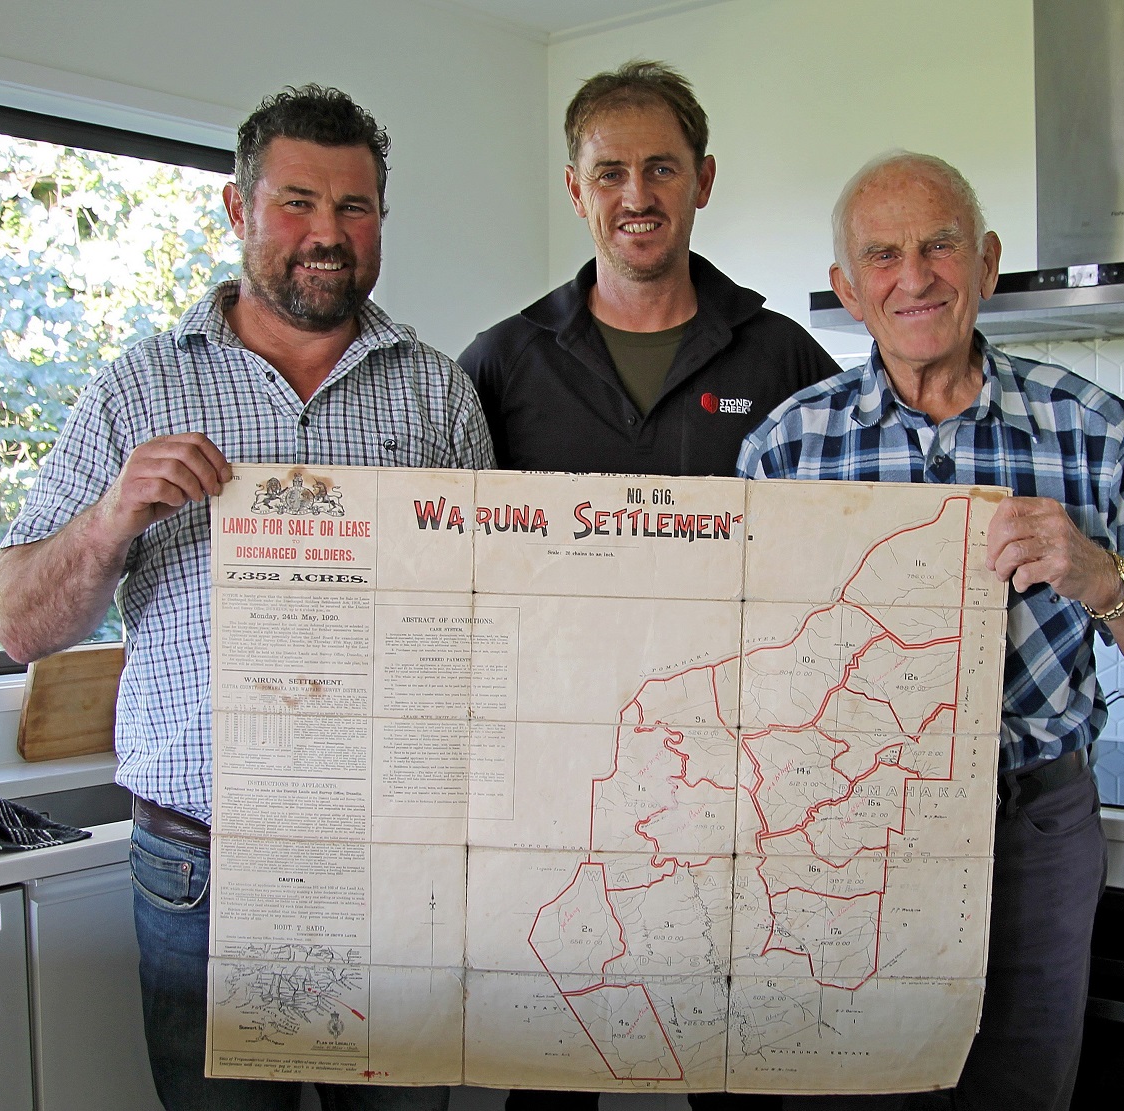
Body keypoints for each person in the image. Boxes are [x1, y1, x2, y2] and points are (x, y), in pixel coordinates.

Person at [0, 85, 493, 1111]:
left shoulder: (439, 394)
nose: (327, 234)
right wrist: (110, 517)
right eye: (296, 202)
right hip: (200, 870)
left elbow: (489, 618)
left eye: (355, 208)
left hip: (393, 863)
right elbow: (16, 625)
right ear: (236, 210)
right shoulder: (136, 388)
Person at [736, 151, 1124, 1111]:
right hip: (842, 832)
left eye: (939, 244)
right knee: (843, 1090)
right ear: (845, 287)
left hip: (1033, 825)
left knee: (1020, 1091)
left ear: (988, 261)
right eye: (881, 254)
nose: (913, 276)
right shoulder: (785, 447)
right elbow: (742, 664)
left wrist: (1100, 576)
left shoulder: (1094, 429)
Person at [459, 60, 840, 1111]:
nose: (637, 195)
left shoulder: (784, 358)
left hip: (740, 789)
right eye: (611, 171)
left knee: (739, 1066)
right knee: (551, 1067)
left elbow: (842, 553)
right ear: (576, 187)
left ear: (702, 179)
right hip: (557, 785)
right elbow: (447, 564)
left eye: (661, 167)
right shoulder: (500, 363)